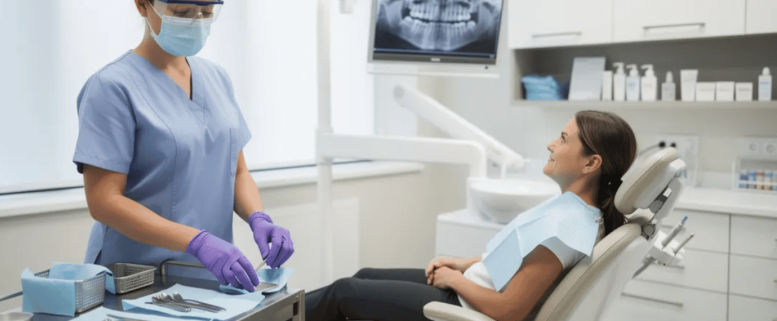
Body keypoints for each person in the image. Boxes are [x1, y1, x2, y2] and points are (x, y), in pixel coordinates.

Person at [306, 110, 637, 321]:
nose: (551, 144)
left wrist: (455, 280)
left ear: (590, 163)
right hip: (467, 288)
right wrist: (465, 263)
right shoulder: (573, 211)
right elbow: (521, 258)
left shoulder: (567, 228)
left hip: (463, 305)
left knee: (344, 292)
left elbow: (510, 310)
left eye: (563, 139)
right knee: (364, 274)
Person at [73, 0, 294, 292]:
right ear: (142, 5)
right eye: (182, 13)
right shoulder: (111, 86)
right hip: (139, 280)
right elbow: (104, 201)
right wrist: (196, 241)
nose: (197, 22)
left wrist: (258, 217)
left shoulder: (218, 79)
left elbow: (237, 171)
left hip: (211, 276)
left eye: (206, 13)